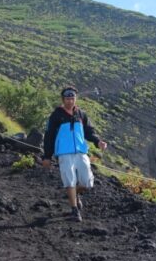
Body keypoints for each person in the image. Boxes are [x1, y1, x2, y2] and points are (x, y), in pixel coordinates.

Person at [41, 86, 107, 222]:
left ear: (76, 99)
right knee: (69, 180)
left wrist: (98, 141)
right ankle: (74, 210)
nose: (70, 101)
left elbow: (89, 132)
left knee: (87, 182)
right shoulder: (56, 115)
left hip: (81, 152)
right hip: (64, 153)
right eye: (67, 99)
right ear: (63, 99)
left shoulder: (81, 115)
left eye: (72, 98)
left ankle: (74, 195)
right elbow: (49, 137)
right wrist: (47, 156)